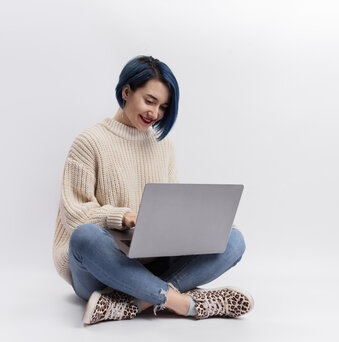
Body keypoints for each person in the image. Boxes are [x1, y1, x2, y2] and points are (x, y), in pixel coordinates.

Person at [52, 55, 254, 325]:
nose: (155, 113)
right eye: (150, 101)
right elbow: (74, 215)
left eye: (163, 107)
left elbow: (170, 207)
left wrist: (188, 225)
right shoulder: (89, 142)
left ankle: (134, 303)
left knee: (233, 240)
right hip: (102, 268)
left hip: (154, 262)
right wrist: (122, 217)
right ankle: (186, 304)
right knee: (85, 237)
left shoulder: (163, 146)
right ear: (126, 91)